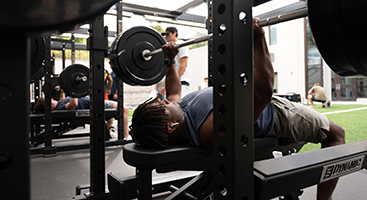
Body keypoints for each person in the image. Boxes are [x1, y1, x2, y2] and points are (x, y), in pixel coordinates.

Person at [129, 19, 345, 200]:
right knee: (336, 135)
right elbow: (261, 95)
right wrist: (259, 39)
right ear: (170, 127)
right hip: (278, 114)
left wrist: (169, 61)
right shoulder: (208, 132)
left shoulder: (180, 112)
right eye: (163, 106)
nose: (165, 101)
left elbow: (174, 91)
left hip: (260, 98)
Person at [34, 90, 131, 140]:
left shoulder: (58, 105)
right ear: (48, 107)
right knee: (124, 109)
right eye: (49, 101)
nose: (51, 99)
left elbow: (63, 101)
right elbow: (73, 104)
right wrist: (73, 91)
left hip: (93, 102)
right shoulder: (59, 109)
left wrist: (63, 92)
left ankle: (108, 132)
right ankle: (126, 136)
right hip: (95, 105)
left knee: (110, 115)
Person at [161, 27, 190, 97]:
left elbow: (183, 65)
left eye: (168, 34)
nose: (166, 36)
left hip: (181, 82)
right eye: (165, 35)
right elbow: (169, 69)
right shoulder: (169, 48)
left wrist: (174, 80)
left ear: (174, 33)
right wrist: (164, 85)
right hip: (173, 82)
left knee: (179, 106)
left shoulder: (181, 44)